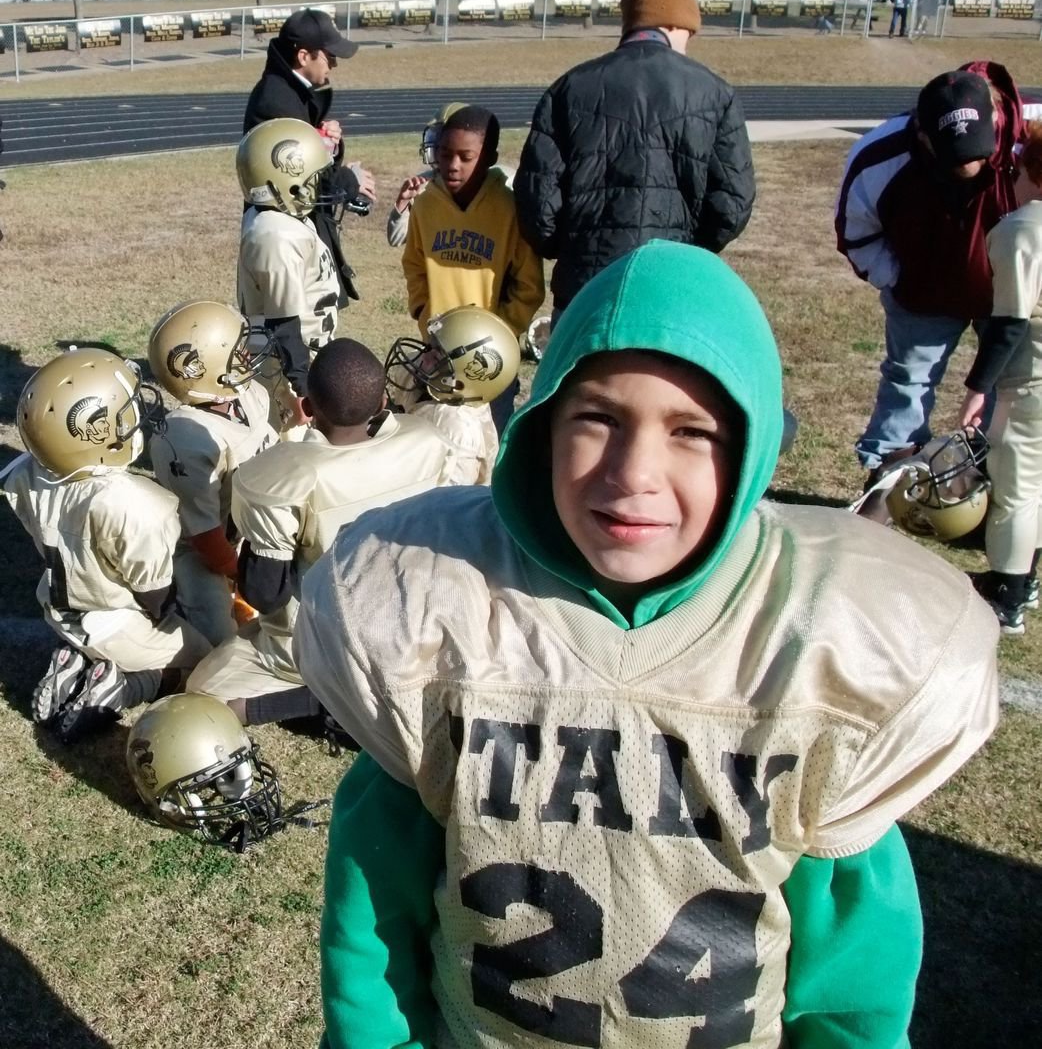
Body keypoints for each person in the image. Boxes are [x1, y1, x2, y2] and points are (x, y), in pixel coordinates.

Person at [295, 239, 998, 1049]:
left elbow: (851, 979)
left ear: (752, 448)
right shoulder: (443, 617)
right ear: (543, 423)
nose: (635, 473)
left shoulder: (818, 653)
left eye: (691, 432)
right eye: (597, 417)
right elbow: (374, 908)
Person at [185, 338, 456, 727]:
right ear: (382, 404)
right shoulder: (427, 441)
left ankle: (317, 703)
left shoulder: (281, 475)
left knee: (205, 689)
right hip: (414, 623)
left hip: (325, 643)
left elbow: (265, 593)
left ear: (308, 409)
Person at [514, 0, 755, 317]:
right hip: (671, 284)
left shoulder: (569, 88)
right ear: (674, 24)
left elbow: (537, 205)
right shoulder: (715, 93)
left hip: (584, 287)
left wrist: (569, 248)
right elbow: (731, 205)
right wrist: (686, 250)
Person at [2, 348, 211, 741]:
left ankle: (78, 661)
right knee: (210, 664)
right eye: (124, 410)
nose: (135, 417)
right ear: (97, 432)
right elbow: (154, 595)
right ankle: (121, 687)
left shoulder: (29, 472)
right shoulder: (131, 503)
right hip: (116, 624)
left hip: (59, 606)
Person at [836, 63, 1025, 477]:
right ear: (922, 135)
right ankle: (891, 474)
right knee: (908, 381)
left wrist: (1026, 286)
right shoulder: (879, 157)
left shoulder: (1030, 145)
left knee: (1009, 386)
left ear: (996, 120)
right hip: (924, 291)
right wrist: (900, 278)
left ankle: (992, 477)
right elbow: (857, 236)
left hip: (1010, 294)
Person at [402, 104, 544, 434]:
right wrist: (425, 314)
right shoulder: (425, 204)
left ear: (489, 156)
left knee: (490, 446)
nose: (452, 165)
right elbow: (414, 266)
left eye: (466, 157)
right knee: (441, 439)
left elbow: (529, 286)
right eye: (445, 153)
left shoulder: (510, 208)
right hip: (438, 351)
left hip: (489, 361)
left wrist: (497, 337)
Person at [148, 301, 278, 646]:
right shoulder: (184, 438)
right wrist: (243, 577)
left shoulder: (248, 394)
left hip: (251, 526)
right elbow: (203, 535)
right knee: (220, 646)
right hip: (204, 549)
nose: (247, 355)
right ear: (203, 368)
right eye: (236, 351)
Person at [957, 122, 1042, 632]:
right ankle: (1024, 577)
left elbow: (1010, 321)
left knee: (1017, 482)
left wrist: (977, 389)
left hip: (1031, 377)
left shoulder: (1022, 230)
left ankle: (1009, 591)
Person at [243, 7, 376, 304]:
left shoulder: (290, 92)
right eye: (329, 57)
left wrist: (328, 143)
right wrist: (348, 180)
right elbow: (294, 175)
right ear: (304, 57)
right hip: (283, 235)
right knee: (298, 321)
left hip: (292, 228)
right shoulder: (276, 101)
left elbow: (304, 154)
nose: (334, 65)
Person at [236, 118, 345, 434]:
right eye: (312, 177)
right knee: (293, 454)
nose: (319, 184)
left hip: (303, 353)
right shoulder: (276, 235)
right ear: (286, 179)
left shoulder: (281, 218)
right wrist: (302, 386)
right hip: (286, 365)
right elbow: (284, 325)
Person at [384, 306, 522, 485]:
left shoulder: (458, 430)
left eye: (438, 355)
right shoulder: (424, 377)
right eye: (431, 346)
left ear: (465, 378)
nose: (425, 357)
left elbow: (445, 503)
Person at [387, 101, 518, 249]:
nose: (435, 146)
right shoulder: (424, 185)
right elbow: (395, 238)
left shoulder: (503, 181)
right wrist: (402, 205)